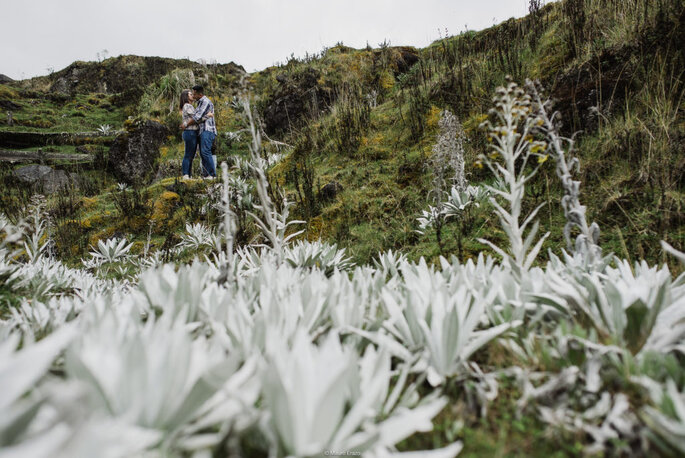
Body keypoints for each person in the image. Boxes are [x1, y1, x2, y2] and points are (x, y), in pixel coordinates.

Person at [181, 85, 217, 179]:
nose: (193, 95)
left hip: (207, 130)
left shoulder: (205, 101)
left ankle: (211, 175)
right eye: (191, 94)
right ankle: (205, 175)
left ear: (198, 94)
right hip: (197, 131)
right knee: (198, 153)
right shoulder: (194, 105)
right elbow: (196, 117)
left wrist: (185, 124)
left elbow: (197, 118)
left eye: (193, 93)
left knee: (205, 152)